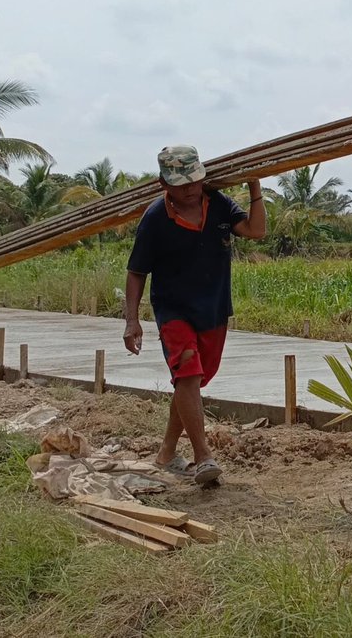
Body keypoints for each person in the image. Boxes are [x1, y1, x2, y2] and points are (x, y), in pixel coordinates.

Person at [123, 145, 266, 485]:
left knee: (193, 380)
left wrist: (255, 186)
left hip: (213, 308)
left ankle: (166, 453)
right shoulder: (155, 218)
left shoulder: (218, 204)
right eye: (180, 183)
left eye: (194, 180)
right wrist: (131, 320)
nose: (189, 189)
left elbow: (255, 231)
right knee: (187, 374)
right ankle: (204, 457)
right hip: (173, 310)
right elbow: (136, 272)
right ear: (163, 184)